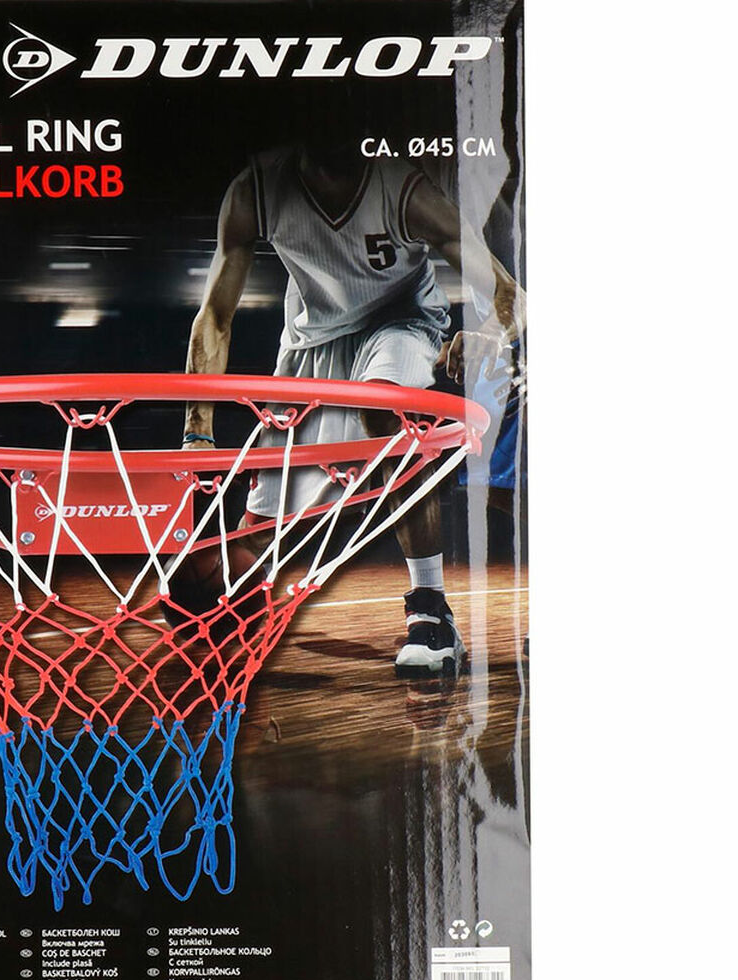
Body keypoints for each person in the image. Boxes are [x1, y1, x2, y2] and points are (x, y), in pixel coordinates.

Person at [183, 137, 525, 676]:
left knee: (387, 411)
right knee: (259, 534)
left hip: (402, 321)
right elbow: (214, 316)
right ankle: (223, 614)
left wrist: (488, 333)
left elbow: (510, 294)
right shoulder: (256, 189)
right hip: (312, 342)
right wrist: (196, 433)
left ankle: (431, 612)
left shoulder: (405, 190)